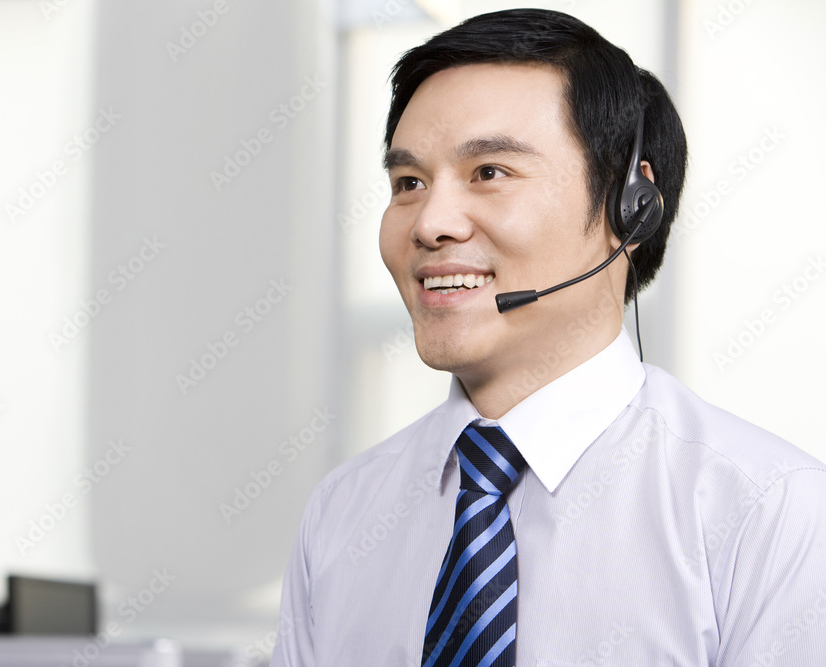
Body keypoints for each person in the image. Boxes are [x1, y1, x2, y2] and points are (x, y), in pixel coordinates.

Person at [270, 9, 826, 666]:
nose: (430, 224)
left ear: (631, 208)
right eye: (409, 183)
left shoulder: (770, 510)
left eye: (489, 172)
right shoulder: (342, 514)